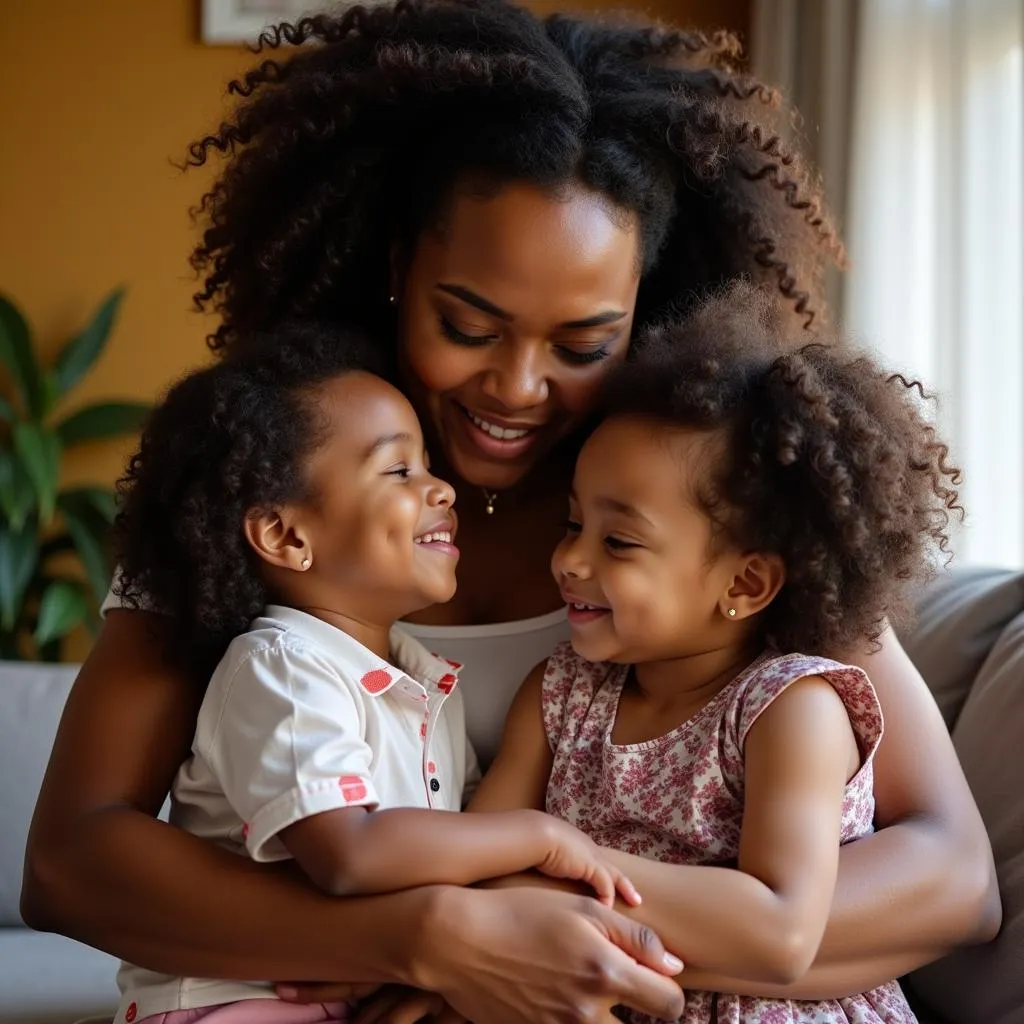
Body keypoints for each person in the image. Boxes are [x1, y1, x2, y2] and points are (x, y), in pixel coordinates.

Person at [21, 2, 999, 1022]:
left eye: (582, 345)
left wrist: (562, 944)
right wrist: (425, 939)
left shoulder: (703, 516)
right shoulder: (279, 477)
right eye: (467, 324)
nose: (517, 387)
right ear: (398, 270)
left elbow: (951, 876)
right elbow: (72, 858)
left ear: (646, 312)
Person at [107, 323, 641, 1024]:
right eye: (400, 472)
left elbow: (456, 844)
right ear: (287, 536)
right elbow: (350, 853)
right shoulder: (280, 668)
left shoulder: (423, 681)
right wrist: (540, 837)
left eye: (427, 465)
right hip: (237, 998)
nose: (442, 490)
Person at [470, 284, 958, 1023]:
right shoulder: (559, 694)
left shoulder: (792, 709)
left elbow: (778, 931)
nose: (569, 561)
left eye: (619, 542)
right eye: (573, 524)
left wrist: (550, 863)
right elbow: (475, 870)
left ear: (746, 581)